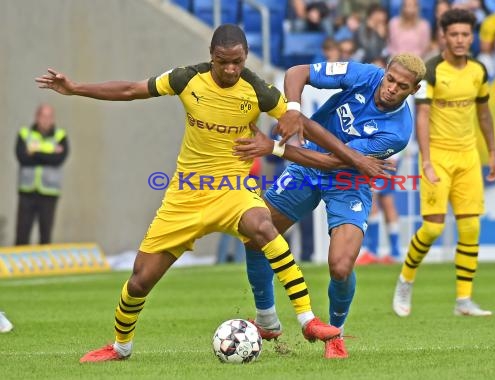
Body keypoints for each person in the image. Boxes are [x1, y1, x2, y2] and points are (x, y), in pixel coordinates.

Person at [36, 24, 389, 363]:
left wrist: (352, 158)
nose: (231, 69)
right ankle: (120, 347)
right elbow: (131, 89)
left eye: (238, 61)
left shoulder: (259, 91)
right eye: (223, 62)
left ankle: (307, 320)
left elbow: (306, 127)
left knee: (262, 225)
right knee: (140, 279)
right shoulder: (186, 78)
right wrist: (76, 87)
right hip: (185, 195)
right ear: (211, 56)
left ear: (246, 56)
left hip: (232, 190)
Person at [234, 54, 426, 358]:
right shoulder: (363, 74)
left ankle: (336, 333)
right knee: (256, 234)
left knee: (340, 266)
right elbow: (298, 72)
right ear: (384, 71)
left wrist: (275, 147)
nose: (391, 88)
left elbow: (336, 161)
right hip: (307, 167)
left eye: (402, 86)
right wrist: (294, 110)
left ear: (413, 91)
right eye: (390, 79)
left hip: (348, 182)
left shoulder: (398, 132)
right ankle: (267, 319)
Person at [392, 9, 495, 318]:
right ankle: (405, 280)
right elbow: (423, 116)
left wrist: (491, 152)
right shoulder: (431, 72)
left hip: (468, 156)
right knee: (432, 229)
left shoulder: (479, 71)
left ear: (472, 36)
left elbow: (483, 113)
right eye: (455, 34)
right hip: (438, 156)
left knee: (470, 227)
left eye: (466, 34)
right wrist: (426, 161)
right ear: (444, 37)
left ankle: (463, 300)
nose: (461, 39)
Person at [15, 104, 69, 245]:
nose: (46, 120)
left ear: (53, 119)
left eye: (49, 116)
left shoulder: (60, 136)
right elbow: (22, 158)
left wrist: (34, 151)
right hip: (27, 191)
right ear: (37, 117)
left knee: (45, 234)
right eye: (43, 116)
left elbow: (58, 160)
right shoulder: (24, 133)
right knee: (22, 232)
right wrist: (50, 150)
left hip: (49, 193)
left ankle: (42, 265)